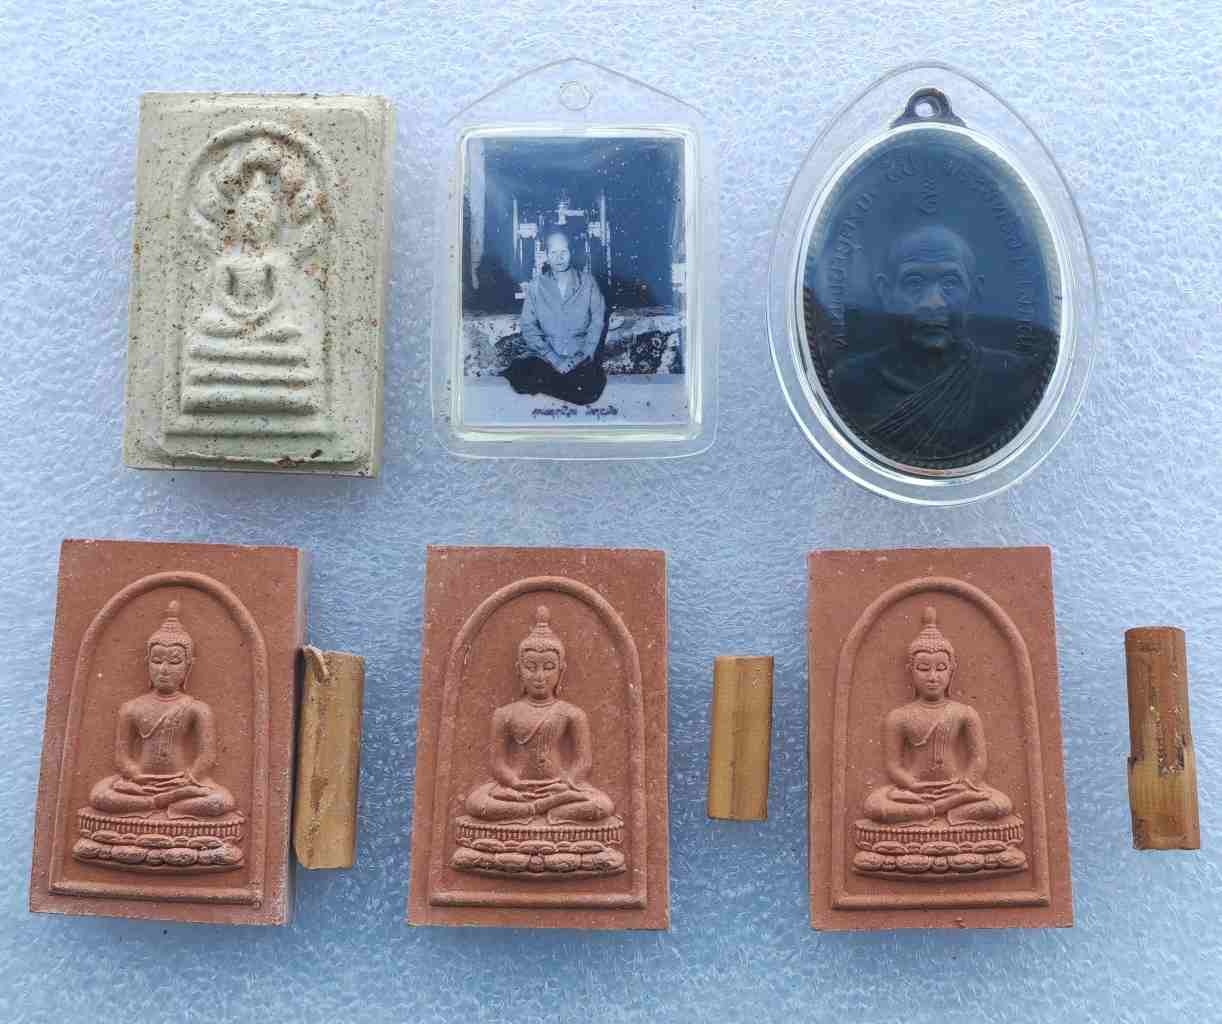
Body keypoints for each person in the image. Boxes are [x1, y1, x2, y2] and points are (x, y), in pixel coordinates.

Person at [831, 224, 1035, 462]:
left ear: (976, 292)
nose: (933, 302)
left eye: (950, 283)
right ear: (886, 293)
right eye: (914, 283)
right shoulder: (852, 381)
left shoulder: (1009, 378)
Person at [460, 605, 616, 825]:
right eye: (531, 667)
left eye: (548, 667)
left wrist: (566, 783)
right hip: (516, 790)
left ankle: (539, 811)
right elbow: (497, 763)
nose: (539, 676)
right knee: (476, 804)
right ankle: (538, 810)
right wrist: (514, 783)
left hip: (559, 788)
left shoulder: (572, 713)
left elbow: (583, 762)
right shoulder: (504, 714)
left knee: (602, 805)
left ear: (561, 670)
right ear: (519, 670)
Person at [859, 606, 1014, 826]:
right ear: (910, 670)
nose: (932, 677)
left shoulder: (964, 713)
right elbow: (893, 766)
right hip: (914, 793)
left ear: (952, 669)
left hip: (957, 789)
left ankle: (932, 812)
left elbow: (978, 760)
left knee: (1001, 804)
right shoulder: (899, 717)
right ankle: (937, 811)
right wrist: (912, 785)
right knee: (873, 806)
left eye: (940, 668)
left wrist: (964, 785)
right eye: (923, 668)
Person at [85, 601, 238, 820]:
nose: (164, 670)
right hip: (139, 785)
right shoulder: (131, 708)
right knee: (99, 796)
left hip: (181, 784)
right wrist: (136, 776)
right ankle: (156, 804)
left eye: (174, 662)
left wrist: (187, 780)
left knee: (221, 801)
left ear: (188, 666)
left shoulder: (197, 709)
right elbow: (122, 757)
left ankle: (163, 804)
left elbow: (207, 755)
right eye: (157, 661)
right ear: (147, 663)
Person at [505, 230, 608, 406]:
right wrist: (555, 360)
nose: (559, 258)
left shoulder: (588, 282)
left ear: (571, 252)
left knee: (590, 386)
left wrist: (581, 356)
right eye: (553, 252)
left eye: (563, 252)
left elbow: (597, 322)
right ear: (546, 255)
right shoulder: (536, 286)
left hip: (579, 359)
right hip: (547, 358)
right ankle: (564, 385)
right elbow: (528, 326)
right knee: (520, 373)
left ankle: (554, 384)